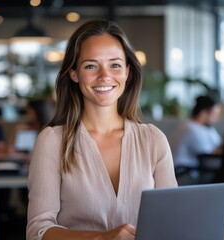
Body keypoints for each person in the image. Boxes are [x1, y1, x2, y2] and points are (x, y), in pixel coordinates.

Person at [26, 19, 177, 240]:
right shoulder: (53, 141)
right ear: (74, 73)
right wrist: (102, 238)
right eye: (91, 66)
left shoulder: (153, 139)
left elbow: (172, 219)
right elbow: (38, 231)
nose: (105, 76)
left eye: (115, 65)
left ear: (127, 71)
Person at [171, 95, 221, 167]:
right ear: (203, 113)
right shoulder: (190, 128)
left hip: (195, 170)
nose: (217, 118)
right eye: (215, 114)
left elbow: (218, 145)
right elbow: (207, 153)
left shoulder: (206, 127)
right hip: (184, 172)